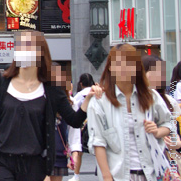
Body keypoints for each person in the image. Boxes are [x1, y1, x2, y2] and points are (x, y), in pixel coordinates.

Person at [0, 31, 100, 181]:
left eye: (28, 47)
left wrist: (88, 98)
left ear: (40, 54)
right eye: (19, 46)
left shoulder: (51, 88)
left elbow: (74, 120)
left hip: (33, 164)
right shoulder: (0, 81)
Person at [88, 44, 173, 181]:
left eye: (129, 64)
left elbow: (169, 123)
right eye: (118, 64)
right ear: (110, 67)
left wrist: (157, 131)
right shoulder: (100, 102)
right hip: (118, 176)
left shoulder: (150, 97)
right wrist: (107, 176)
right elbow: (98, 142)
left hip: (150, 174)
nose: (124, 69)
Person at [142, 55, 181, 161]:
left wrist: (176, 143)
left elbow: (175, 133)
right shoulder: (130, 100)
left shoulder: (170, 102)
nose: (159, 76)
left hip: (166, 161)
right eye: (155, 72)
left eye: (162, 72)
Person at [67, 73, 96, 181]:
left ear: (81, 83)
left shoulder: (80, 94)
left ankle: (76, 175)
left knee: (80, 153)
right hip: (95, 123)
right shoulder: (96, 91)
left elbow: (75, 108)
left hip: (83, 124)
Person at [50, 63, 73, 181]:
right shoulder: (40, 98)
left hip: (59, 152)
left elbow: (72, 129)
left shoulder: (68, 102)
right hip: (42, 154)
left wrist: (74, 151)